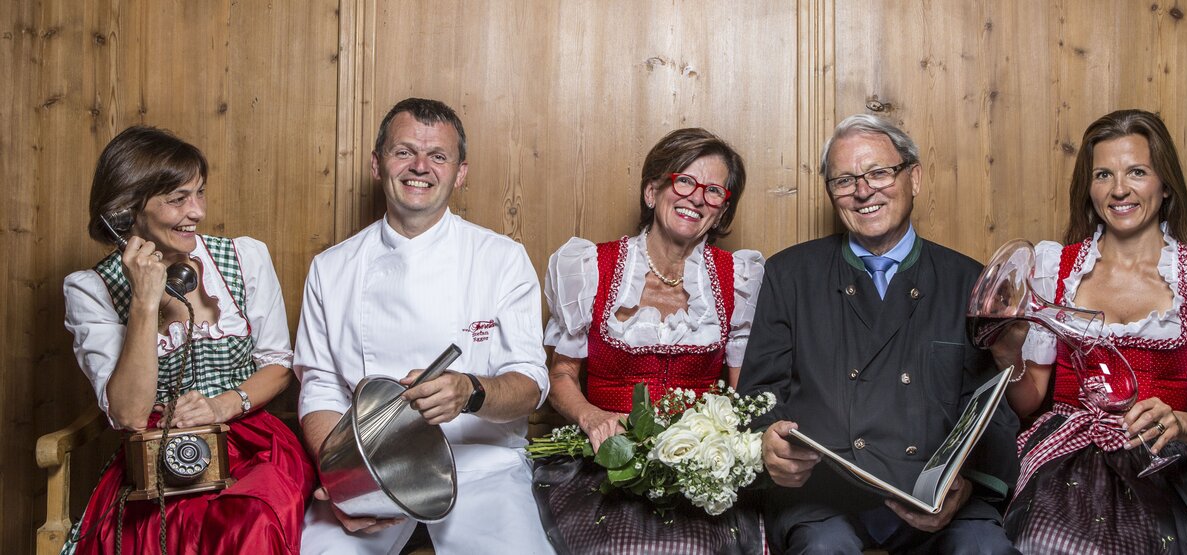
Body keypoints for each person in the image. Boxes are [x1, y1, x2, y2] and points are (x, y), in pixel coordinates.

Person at [738, 114, 1021, 554]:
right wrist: (768, 445)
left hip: (936, 499)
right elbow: (759, 396)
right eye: (844, 180)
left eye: (878, 173)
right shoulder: (789, 275)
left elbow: (991, 404)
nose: (863, 190)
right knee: (824, 548)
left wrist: (966, 488)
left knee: (985, 548)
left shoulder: (969, 281)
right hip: (823, 499)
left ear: (915, 178)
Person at [1001, 109, 1187, 553]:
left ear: (1165, 186)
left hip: (1160, 464)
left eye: (1137, 172)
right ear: (1089, 190)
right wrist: (1006, 354)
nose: (1119, 189)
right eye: (1103, 174)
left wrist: (1180, 421)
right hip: (1063, 463)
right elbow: (1028, 400)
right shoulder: (1054, 270)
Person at [294, 98, 553, 554]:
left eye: (438, 156)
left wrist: (470, 391)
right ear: (378, 164)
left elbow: (530, 383)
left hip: (481, 467)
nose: (420, 167)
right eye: (404, 151)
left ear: (460, 172)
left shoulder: (500, 260)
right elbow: (320, 389)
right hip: (372, 466)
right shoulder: (331, 268)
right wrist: (341, 479)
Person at [62, 126, 314, 554]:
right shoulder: (91, 289)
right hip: (155, 455)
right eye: (178, 199)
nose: (195, 212)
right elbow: (129, 414)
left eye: (200, 193)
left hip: (251, 440)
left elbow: (277, 365)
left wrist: (220, 405)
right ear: (125, 211)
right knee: (156, 534)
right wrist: (144, 301)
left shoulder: (244, 257)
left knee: (251, 521)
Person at [533, 128, 766, 554]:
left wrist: (719, 451)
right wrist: (591, 418)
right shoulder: (589, 269)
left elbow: (740, 390)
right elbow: (562, 374)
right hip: (602, 466)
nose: (697, 198)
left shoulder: (740, 279)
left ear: (721, 211)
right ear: (652, 191)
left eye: (714, 191)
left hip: (699, 467)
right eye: (685, 182)